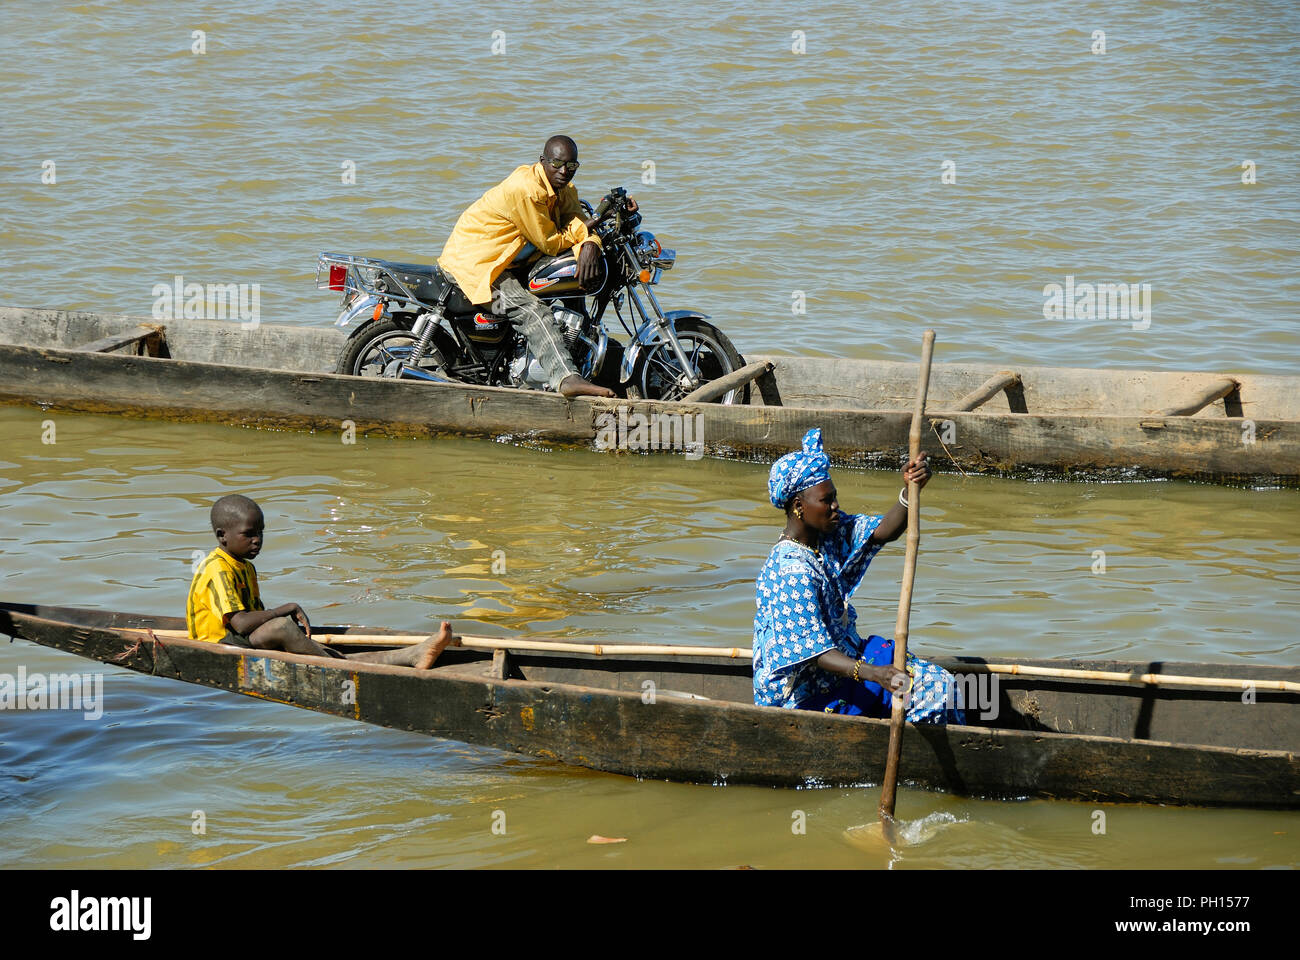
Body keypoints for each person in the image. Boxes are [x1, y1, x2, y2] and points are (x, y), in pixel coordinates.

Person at [753, 428, 965, 724]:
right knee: (931, 693)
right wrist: (875, 674)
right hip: (806, 691)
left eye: (834, 497)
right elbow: (814, 652)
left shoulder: (827, 535)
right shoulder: (789, 571)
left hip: (845, 660)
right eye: (826, 501)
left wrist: (910, 491)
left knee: (939, 685)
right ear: (799, 507)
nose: (835, 506)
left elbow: (882, 532)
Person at [437, 135, 616, 399]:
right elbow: (552, 242)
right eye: (557, 163)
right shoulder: (527, 190)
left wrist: (591, 242)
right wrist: (589, 232)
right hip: (480, 262)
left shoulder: (562, 188)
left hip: (510, 257)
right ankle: (566, 377)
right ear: (542, 161)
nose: (564, 171)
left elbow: (576, 219)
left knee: (567, 285)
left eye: (571, 166)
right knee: (532, 311)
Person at [187, 494, 457, 668]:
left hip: (240, 638)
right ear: (223, 536)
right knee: (281, 626)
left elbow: (254, 618)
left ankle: (410, 655)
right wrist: (287, 609)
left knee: (297, 637)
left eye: (261, 533)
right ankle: (363, 662)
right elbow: (242, 622)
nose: (257, 540)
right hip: (218, 645)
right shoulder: (218, 569)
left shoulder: (244, 566)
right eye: (249, 534)